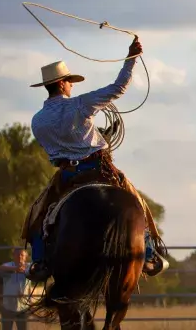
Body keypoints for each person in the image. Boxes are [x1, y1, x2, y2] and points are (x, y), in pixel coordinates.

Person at [20, 36, 167, 282]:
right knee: (134, 200)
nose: (71, 86)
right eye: (70, 82)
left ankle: (40, 261)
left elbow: (51, 151)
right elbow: (118, 87)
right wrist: (130, 59)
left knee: (38, 213)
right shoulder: (80, 105)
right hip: (98, 168)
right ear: (64, 83)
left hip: (67, 175)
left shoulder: (37, 120)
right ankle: (149, 253)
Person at [0, 248, 33, 330]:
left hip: (23, 308)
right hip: (8, 307)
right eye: (17, 255)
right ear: (13, 256)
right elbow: (0, 268)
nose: (19, 257)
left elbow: (35, 269)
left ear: (25, 257)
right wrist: (15, 269)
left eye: (22, 255)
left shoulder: (28, 267)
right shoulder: (9, 265)